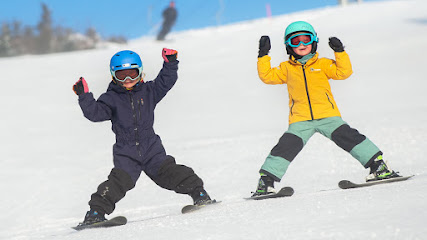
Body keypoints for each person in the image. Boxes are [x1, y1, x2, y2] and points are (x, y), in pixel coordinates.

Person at [253, 21, 400, 196]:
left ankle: (379, 166)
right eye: (295, 41)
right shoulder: (286, 69)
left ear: (314, 42)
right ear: (288, 45)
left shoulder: (323, 64)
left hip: (328, 116)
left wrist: (340, 52)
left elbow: (343, 72)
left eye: (306, 40)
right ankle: (266, 182)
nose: (301, 45)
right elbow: (267, 76)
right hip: (300, 120)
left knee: (350, 138)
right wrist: (263, 55)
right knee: (284, 148)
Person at [72, 49, 214, 227]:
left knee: (169, 173)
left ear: (140, 72)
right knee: (118, 183)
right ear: (113, 75)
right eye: (121, 75)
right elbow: (95, 113)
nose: (127, 80)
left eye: (132, 73)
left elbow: (166, 81)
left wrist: (170, 63)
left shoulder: (149, 91)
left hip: (151, 148)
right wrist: (84, 96)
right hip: (126, 152)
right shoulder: (111, 98)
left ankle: (199, 193)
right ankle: (95, 213)